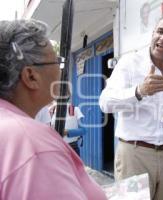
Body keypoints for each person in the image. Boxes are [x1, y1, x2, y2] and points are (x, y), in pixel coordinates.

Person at [0, 19, 107, 199]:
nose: (60, 70)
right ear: (31, 76)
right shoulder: (31, 143)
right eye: (56, 61)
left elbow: (83, 130)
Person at [99, 14, 163, 200]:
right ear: (152, 33)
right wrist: (139, 91)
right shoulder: (130, 63)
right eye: (160, 31)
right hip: (135, 156)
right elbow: (105, 102)